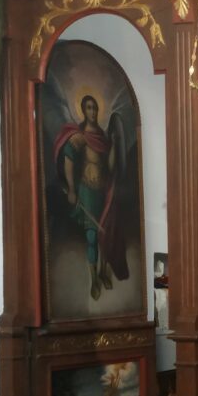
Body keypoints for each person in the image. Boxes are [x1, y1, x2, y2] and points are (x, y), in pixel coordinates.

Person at [53, 95, 128, 300]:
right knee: (92, 237)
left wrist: (114, 145)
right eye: (89, 108)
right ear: (83, 110)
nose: (92, 112)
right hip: (87, 191)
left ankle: (104, 272)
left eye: (94, 108)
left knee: (105, 236)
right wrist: (71, 189)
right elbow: (68, 160)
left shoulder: (102, 136)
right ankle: (94, 278)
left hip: (103, 191)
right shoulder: (79, 136)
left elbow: (110, 166)